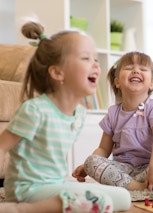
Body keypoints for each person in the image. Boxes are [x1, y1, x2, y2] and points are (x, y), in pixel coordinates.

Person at [0, 20, 131, 213]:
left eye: (96, 59)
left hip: (55, 185)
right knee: (99, 202)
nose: (95, 64)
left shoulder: (79, 114)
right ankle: (18, 209)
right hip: (27, 190)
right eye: (86, 58)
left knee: (123, 198)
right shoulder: (35, 110)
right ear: (57, 72)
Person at [72, 51, 153, 192]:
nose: (136, 70)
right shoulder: (113, 113)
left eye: (142, 69)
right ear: (117, 81)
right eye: (129, 68)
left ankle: (150, 182)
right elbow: (104, 149)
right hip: (122, 171)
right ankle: (137, 188)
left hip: (149, 167)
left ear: (151, 84)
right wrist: (86, 167)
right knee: (90, 161)